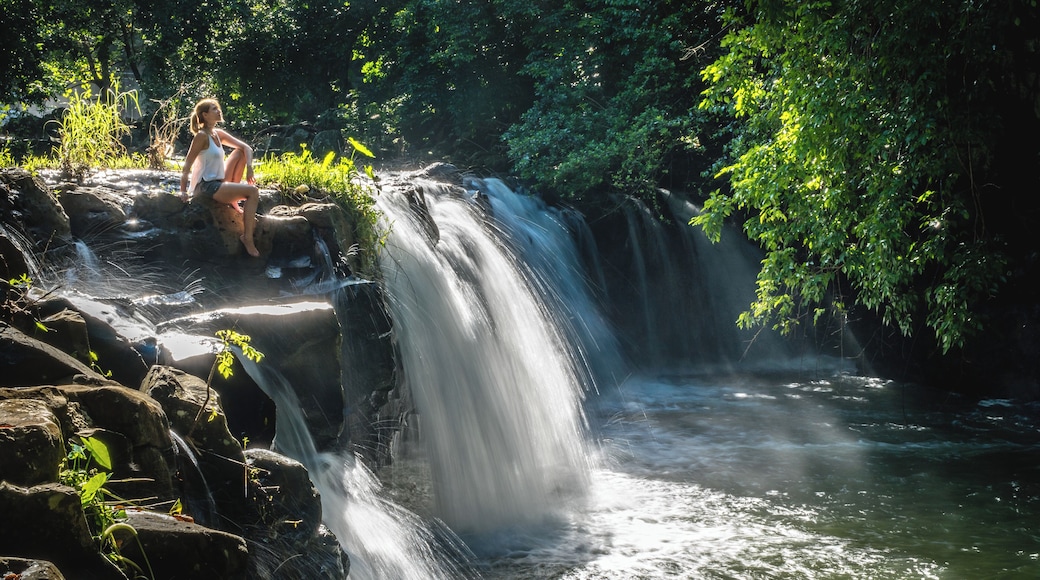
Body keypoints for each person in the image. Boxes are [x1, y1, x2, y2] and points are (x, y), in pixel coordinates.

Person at [180, 98, 261, 257]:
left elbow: (247, 148)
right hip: (206, 186)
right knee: (253, 192)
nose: (219, 110)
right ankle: (247, 238)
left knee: (240, 152)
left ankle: (233, 200)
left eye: (218, 107)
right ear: (205, 115)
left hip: (218, 182)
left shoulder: (218, 134)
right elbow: (187, 164)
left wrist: (250, 168)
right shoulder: (201, 136)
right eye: (214, 109)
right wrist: (183, 190)